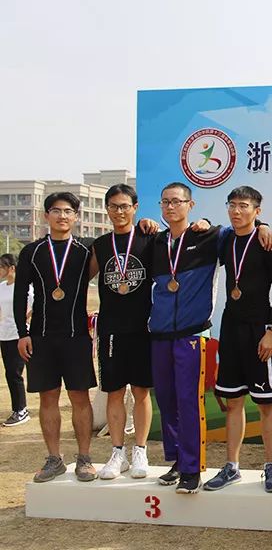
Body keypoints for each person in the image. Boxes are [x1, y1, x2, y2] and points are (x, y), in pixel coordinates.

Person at [148, 182, 272, 494]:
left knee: (189, 402)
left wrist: (263, 225)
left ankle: (192, 469)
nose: (170, 207)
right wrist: (144, 224)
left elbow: (243, 229)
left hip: (192, 334)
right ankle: (178, 461)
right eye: (165, 202)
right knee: (166, 400)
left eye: (177, 201)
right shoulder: (155, 242)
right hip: (160, 334)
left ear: (190, 205)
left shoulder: (209, 237)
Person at [204, 186, 272, 493]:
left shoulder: (267, 242)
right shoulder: (225, 239)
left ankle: (271, 466)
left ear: (257, 211)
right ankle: (232, 466)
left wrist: (271, 331)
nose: (236, 211)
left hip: (260, 329)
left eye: (243, 206)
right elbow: (206, 228)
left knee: (266, 404)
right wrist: (203, 221)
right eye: (232, 205)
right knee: (233, 401)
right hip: (231, 329)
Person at [15, 192, 97, 482]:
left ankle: (84, 458)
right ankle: (54, 459)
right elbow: (20, 294)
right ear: (45, 215)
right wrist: (22, 333)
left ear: (76, 216)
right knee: (47, 398)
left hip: (77, 336)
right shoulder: (32, 251)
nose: (62, 216)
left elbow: (122, 242)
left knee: (80, 397)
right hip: (41, 336)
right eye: (56, 210)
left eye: (68, 211)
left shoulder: (87, 250)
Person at [90, 184, 157, 480]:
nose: (119, 211)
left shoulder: (148, 238)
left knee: (141, 391)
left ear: (135, 208)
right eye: (114, 206)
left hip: (143, 327)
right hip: (111, 330)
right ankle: (117, 453)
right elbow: (80, 278)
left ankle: (140, 450)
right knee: (114, 392)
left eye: (125, 206)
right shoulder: (100, 245)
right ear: (106, 209)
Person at [1, 253, 29, 427]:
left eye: (1, 267)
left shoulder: (24, 287)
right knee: (9, 373)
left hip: (18, 335)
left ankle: (21, 410)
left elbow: (33, 306)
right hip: (4, 335)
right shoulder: (2, 287)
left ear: (11, 268)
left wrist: (23, 321)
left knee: (15, 373)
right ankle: (18, 408)